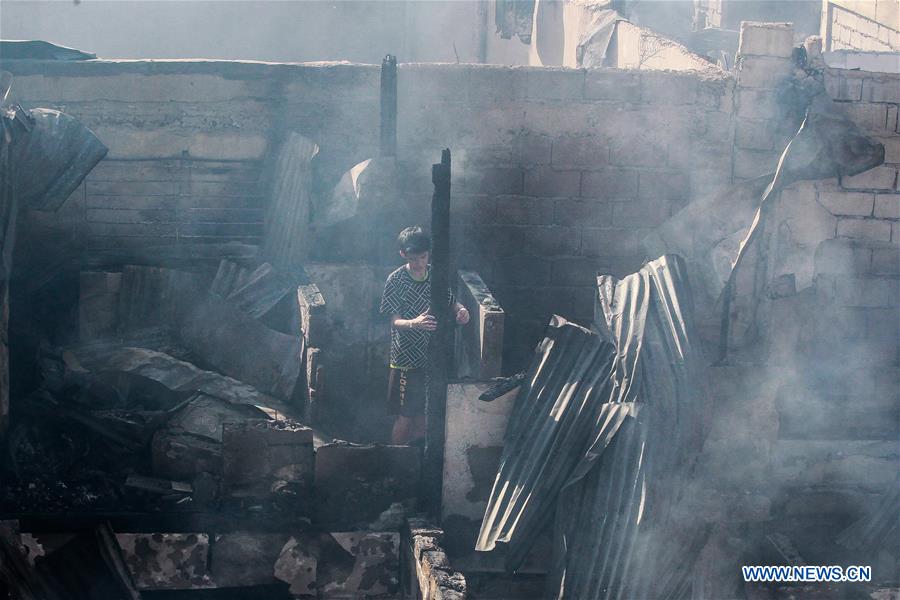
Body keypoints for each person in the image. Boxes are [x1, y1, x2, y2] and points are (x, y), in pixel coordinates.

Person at [380, 226, 469, 445]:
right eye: (413, 258)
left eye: (423, 257)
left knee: (423, 414)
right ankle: (397, 459)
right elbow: (393, 321)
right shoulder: (396, 280)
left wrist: (461, 310)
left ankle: (417, 460)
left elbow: (451, 302)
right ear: (403, 255)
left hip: (431, 357)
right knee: (405, 416)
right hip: (406, 360)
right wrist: (414, 323)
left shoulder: (435, 276)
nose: (419, 263)